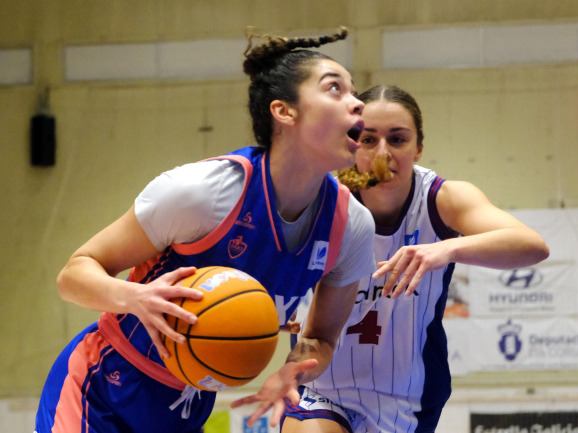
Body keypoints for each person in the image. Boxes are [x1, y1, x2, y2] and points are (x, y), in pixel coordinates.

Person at [35, 27, 376, 433]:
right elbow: (73, 274)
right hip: (101, 389)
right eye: (335, 89)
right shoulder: (205, 193)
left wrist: (295, 370)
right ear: (284, 111)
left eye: (355, 92)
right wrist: (135, 296)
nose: (357, 103)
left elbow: (321, 338)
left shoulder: (351, 226)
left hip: (188, 406)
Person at [280, 85, 550, 433]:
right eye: (368, 139)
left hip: (408, 397)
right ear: (351, 143)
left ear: (418, 148)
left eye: (397, 139)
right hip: (323, 385)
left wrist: (446, 249)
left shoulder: (443, 200)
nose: (383, 152)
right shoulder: (320, 201)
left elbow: (532, 245)